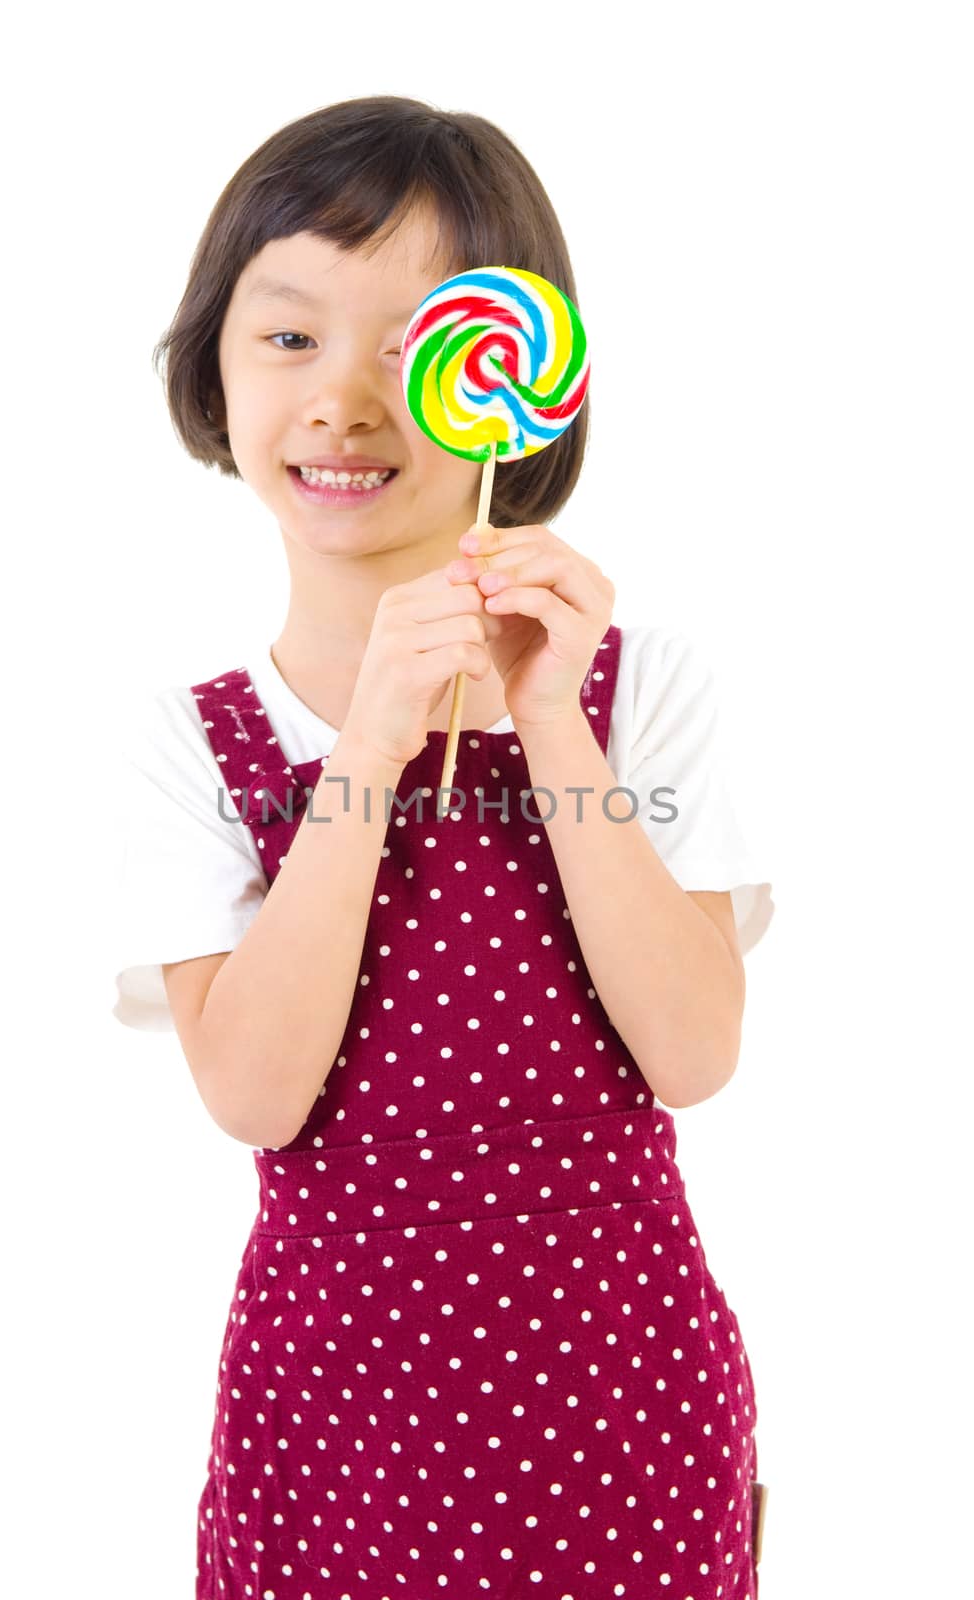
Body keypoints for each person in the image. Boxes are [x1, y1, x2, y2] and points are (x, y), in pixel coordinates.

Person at [112, 95, 775, 1600]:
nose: (347, 398)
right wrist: (365, 757)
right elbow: (256, 1092)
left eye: (417, 345)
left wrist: (551, 727)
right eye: (290, 337)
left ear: (512, 386)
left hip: (623, 1423)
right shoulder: (195, 740)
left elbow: (694, 1049)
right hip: (335, 1436)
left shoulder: (637, 689)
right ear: (215, 365)